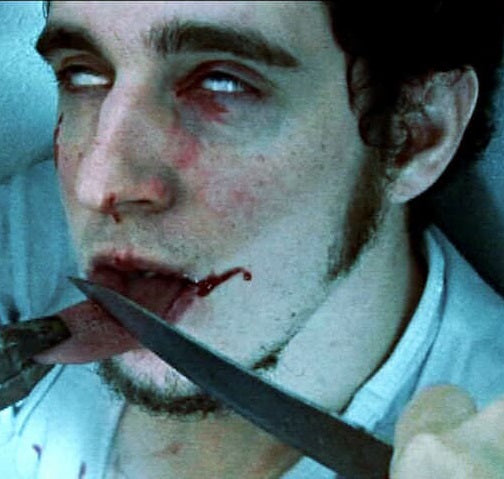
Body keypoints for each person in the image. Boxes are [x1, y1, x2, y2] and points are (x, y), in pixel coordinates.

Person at [1, 1, 503, 477]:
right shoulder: (24, 237)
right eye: (81, 75)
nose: (97, 186)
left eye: (221, 83)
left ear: (413, 133)